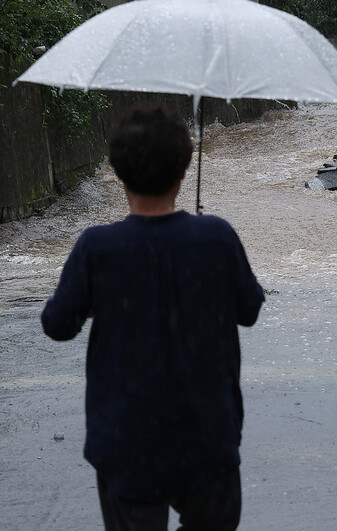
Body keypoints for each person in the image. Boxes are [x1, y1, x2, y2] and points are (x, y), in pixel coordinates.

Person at [41, 105, 265, 530]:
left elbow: (57, 324)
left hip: (126, 443)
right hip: (207, 438)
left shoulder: (97, 248)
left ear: (118, 173)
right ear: (184, 169)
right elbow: (249, 310)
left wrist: (92, 303)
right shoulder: (215, 237)